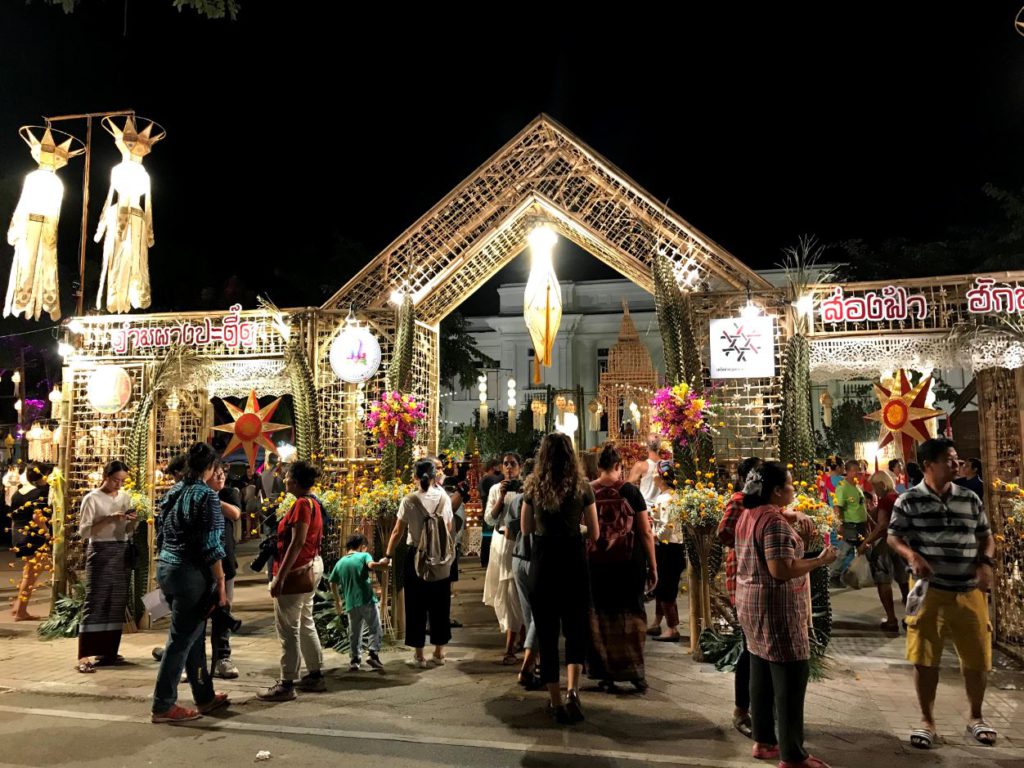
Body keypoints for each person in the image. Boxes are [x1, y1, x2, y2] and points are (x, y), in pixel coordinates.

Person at [887, 438, 996, 748]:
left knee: (976, 658)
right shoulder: (908, 501)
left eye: (957, 459)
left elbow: (986, 537)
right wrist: (912, 556)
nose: (956, 464)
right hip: (929, 591)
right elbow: (894, 537)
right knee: (925, 658)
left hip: (968, 590)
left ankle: (976, 716)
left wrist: (986, 563)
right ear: (928, 465)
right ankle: (927, 721)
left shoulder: (969, 499)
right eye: (949, 459)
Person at [735, 461, 837, 768]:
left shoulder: (748, 516)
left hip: (750, 605)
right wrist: (819, 560)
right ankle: (793, 755)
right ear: (777, 490)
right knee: (791, 676)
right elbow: (781, 569)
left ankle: (764, 741)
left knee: (761, 671)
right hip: (776, 607)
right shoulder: (774, 523)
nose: (794, 489)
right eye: (790, 485)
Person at [521, 432, 600, 725]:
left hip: (543, 564)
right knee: (576, 630)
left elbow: (527, 527)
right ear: (572, 455)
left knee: (547, 633)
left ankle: (554, 701)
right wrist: (574, 529)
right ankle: (573, 693)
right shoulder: (583, 487)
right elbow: (594, 532)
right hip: (573, 564)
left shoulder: (532, 486)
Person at [151, 443, 230, 724]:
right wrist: (220, 582)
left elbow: (160, 533)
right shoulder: (206, 496)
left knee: (193, 638)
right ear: (209, 468)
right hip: (189, 574)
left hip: (167, 568)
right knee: (180, 641)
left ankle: (204, 696)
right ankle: (163, 705)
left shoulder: (173, 492)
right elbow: (212, 544)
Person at [586, 443, 656, 692]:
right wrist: (653, 566)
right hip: (628, 562)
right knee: (631, 614)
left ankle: (604, 671)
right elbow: (645, 532)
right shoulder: (630, 491)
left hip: (595, 563)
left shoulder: (588, 491)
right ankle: (635, 671)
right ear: (619, 466)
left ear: (598, 466)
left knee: (600, 615)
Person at [259, 460, 326, 701]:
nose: (284, 479)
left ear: (296, 482)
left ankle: (287, 682)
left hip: (297, 571)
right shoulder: (314, 502)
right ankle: (315, 673)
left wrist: (280, 577)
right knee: (306, 621)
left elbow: (297, 542)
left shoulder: (301, 505)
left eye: (287, 477)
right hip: (312, 566)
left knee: (288, 628)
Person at [383, 458, 454, 668]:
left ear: (415, 477)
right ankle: (439, 653)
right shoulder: (444, 498)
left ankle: (419, 654)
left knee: (416, 605)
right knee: (441, 604)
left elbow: (397, 531)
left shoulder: (409, 500)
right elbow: (448, 527)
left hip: (415, 555)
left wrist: (388, 554)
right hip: (440, 555)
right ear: (434, 476)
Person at [717, 456, 761, 738]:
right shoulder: (739, 501)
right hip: (742, 580)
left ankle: (759, 707)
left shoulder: (763, 502)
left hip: (760, 581)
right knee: (748, 648)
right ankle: (740, 709)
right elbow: (723, 533)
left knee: (757, 648)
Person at [76, 461, 134, 669]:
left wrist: (132, 521)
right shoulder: (92, 498)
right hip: (100, 549)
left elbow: (128, 530)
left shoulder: (125, 497)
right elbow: (84, 531)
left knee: (116, 600)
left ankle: (109, 651)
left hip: (121, 549)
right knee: (96, 598)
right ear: (105, 476)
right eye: (115, 480)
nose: (118, 485)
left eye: (122, 481)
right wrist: (109, 518)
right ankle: (84, 654)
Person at [483, 452, 526, 664]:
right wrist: (501, 497)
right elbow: (490, 519)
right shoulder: (494, 489)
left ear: (519, 467)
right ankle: (515, 642)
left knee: (518, 594)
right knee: (507, 595)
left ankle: (516, 645)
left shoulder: (526, 488)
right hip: (501, 544)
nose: (509, 467)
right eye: (505, 464)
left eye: (513, 464)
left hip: (520, 543)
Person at [857, 471, 909, 632]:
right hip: (903, 543)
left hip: (887, 543)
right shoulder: (899, 497)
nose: (874, 490)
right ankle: (910, 617)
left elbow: (881, 526)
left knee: (883, 580)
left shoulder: (886, 500)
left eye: (875, 486)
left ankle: (891, 619)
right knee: (904, 580)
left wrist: (866, 542)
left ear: (883, 485)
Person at [505, 457, 542, 689]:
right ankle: (531, 664)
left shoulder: (515, 500)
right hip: (540, 557)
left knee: (529, 614)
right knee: (541, 613)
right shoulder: (543, 498)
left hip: (519, 557)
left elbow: (509, 534)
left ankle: (536, 662)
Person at [329, 533, 387, 672]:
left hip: (350, 603)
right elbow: (371, 565)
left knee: (355, 632)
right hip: (367, 600)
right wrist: (382, 564)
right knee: (375, 627)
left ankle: (355, 660)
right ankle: (373, 653)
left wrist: (338, 601)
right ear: (362, 546)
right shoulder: (363, 556)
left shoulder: (340, 562)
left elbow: (332, 582)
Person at [209, 461, 242, 679]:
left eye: (223, 475)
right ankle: (191, 660)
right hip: (203, 564)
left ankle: (222, 657)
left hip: (226, 562)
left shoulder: (228, 493)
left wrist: (213, 499)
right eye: (217, 475)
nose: (221, 478)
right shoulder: (195, 496)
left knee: (223, 610)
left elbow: (236, 514)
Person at [647, 460, 686, 642]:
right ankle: (657, 622)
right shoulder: (668, 496)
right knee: (661, 587)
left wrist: (652, 537)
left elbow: (666, 528)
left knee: (666, 588)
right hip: (670, 547)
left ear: (661, 477)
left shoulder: (667, 498)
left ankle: (672, 628)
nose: (652, 475)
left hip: (669, 548)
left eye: (655, 472)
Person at [10, 464, 53, 622]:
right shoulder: (38, 494)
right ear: (44, 475)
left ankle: (17, 607)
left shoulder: (19, 492)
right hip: (33, 535)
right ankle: (21, 611)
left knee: (28, 572)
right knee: (31, 575)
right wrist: (47, 532)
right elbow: (37, 517)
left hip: (18, 534)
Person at [832, 460, 868, 577]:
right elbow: (837, 507)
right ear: (847, 471)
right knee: (844, 551)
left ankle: (857, 575)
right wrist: (839, 524)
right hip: (850, 525)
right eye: (854, 471)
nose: (857, 473)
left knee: (862, 550)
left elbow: (861, 505)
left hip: (860, 525)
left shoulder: (856, 486)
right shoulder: (842, 486)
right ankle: (834, 575)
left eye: (858, 470)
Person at [478, 458, 503, 569]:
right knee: (489, 536)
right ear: (494, 467)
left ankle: (485, 560)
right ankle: (486, 560)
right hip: (491, 510)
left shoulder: (485, 479)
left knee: (487, 536)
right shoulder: (490, 479)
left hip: (488, 509)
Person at [627, 437, 664, 506]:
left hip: (644, 507)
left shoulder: (641, 465)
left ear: (647, 447)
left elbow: (627, 485)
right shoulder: (666, 465)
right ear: (659, 447)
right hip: (661, 506)